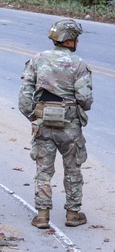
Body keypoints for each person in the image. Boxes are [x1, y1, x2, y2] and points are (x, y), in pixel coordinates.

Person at [18, 19, 93, 229]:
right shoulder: (79, 64)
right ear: (69, 40)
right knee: (73, 169)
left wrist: (33, 116)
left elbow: (25, 96)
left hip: (43, 123)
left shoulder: (37, 59)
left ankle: (42, 214)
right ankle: (72, 214)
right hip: (70, 126)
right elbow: (85, 100)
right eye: (75, 38)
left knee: (43, 169)